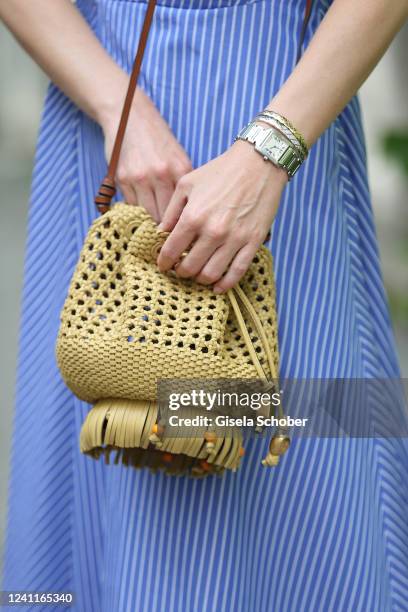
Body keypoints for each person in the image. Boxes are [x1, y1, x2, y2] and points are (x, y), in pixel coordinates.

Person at [1, 0, 408, 610]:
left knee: (312, 474)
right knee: (104, 433)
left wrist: (270, 151)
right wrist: (120, 107)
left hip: (290, 124)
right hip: (107, 124)